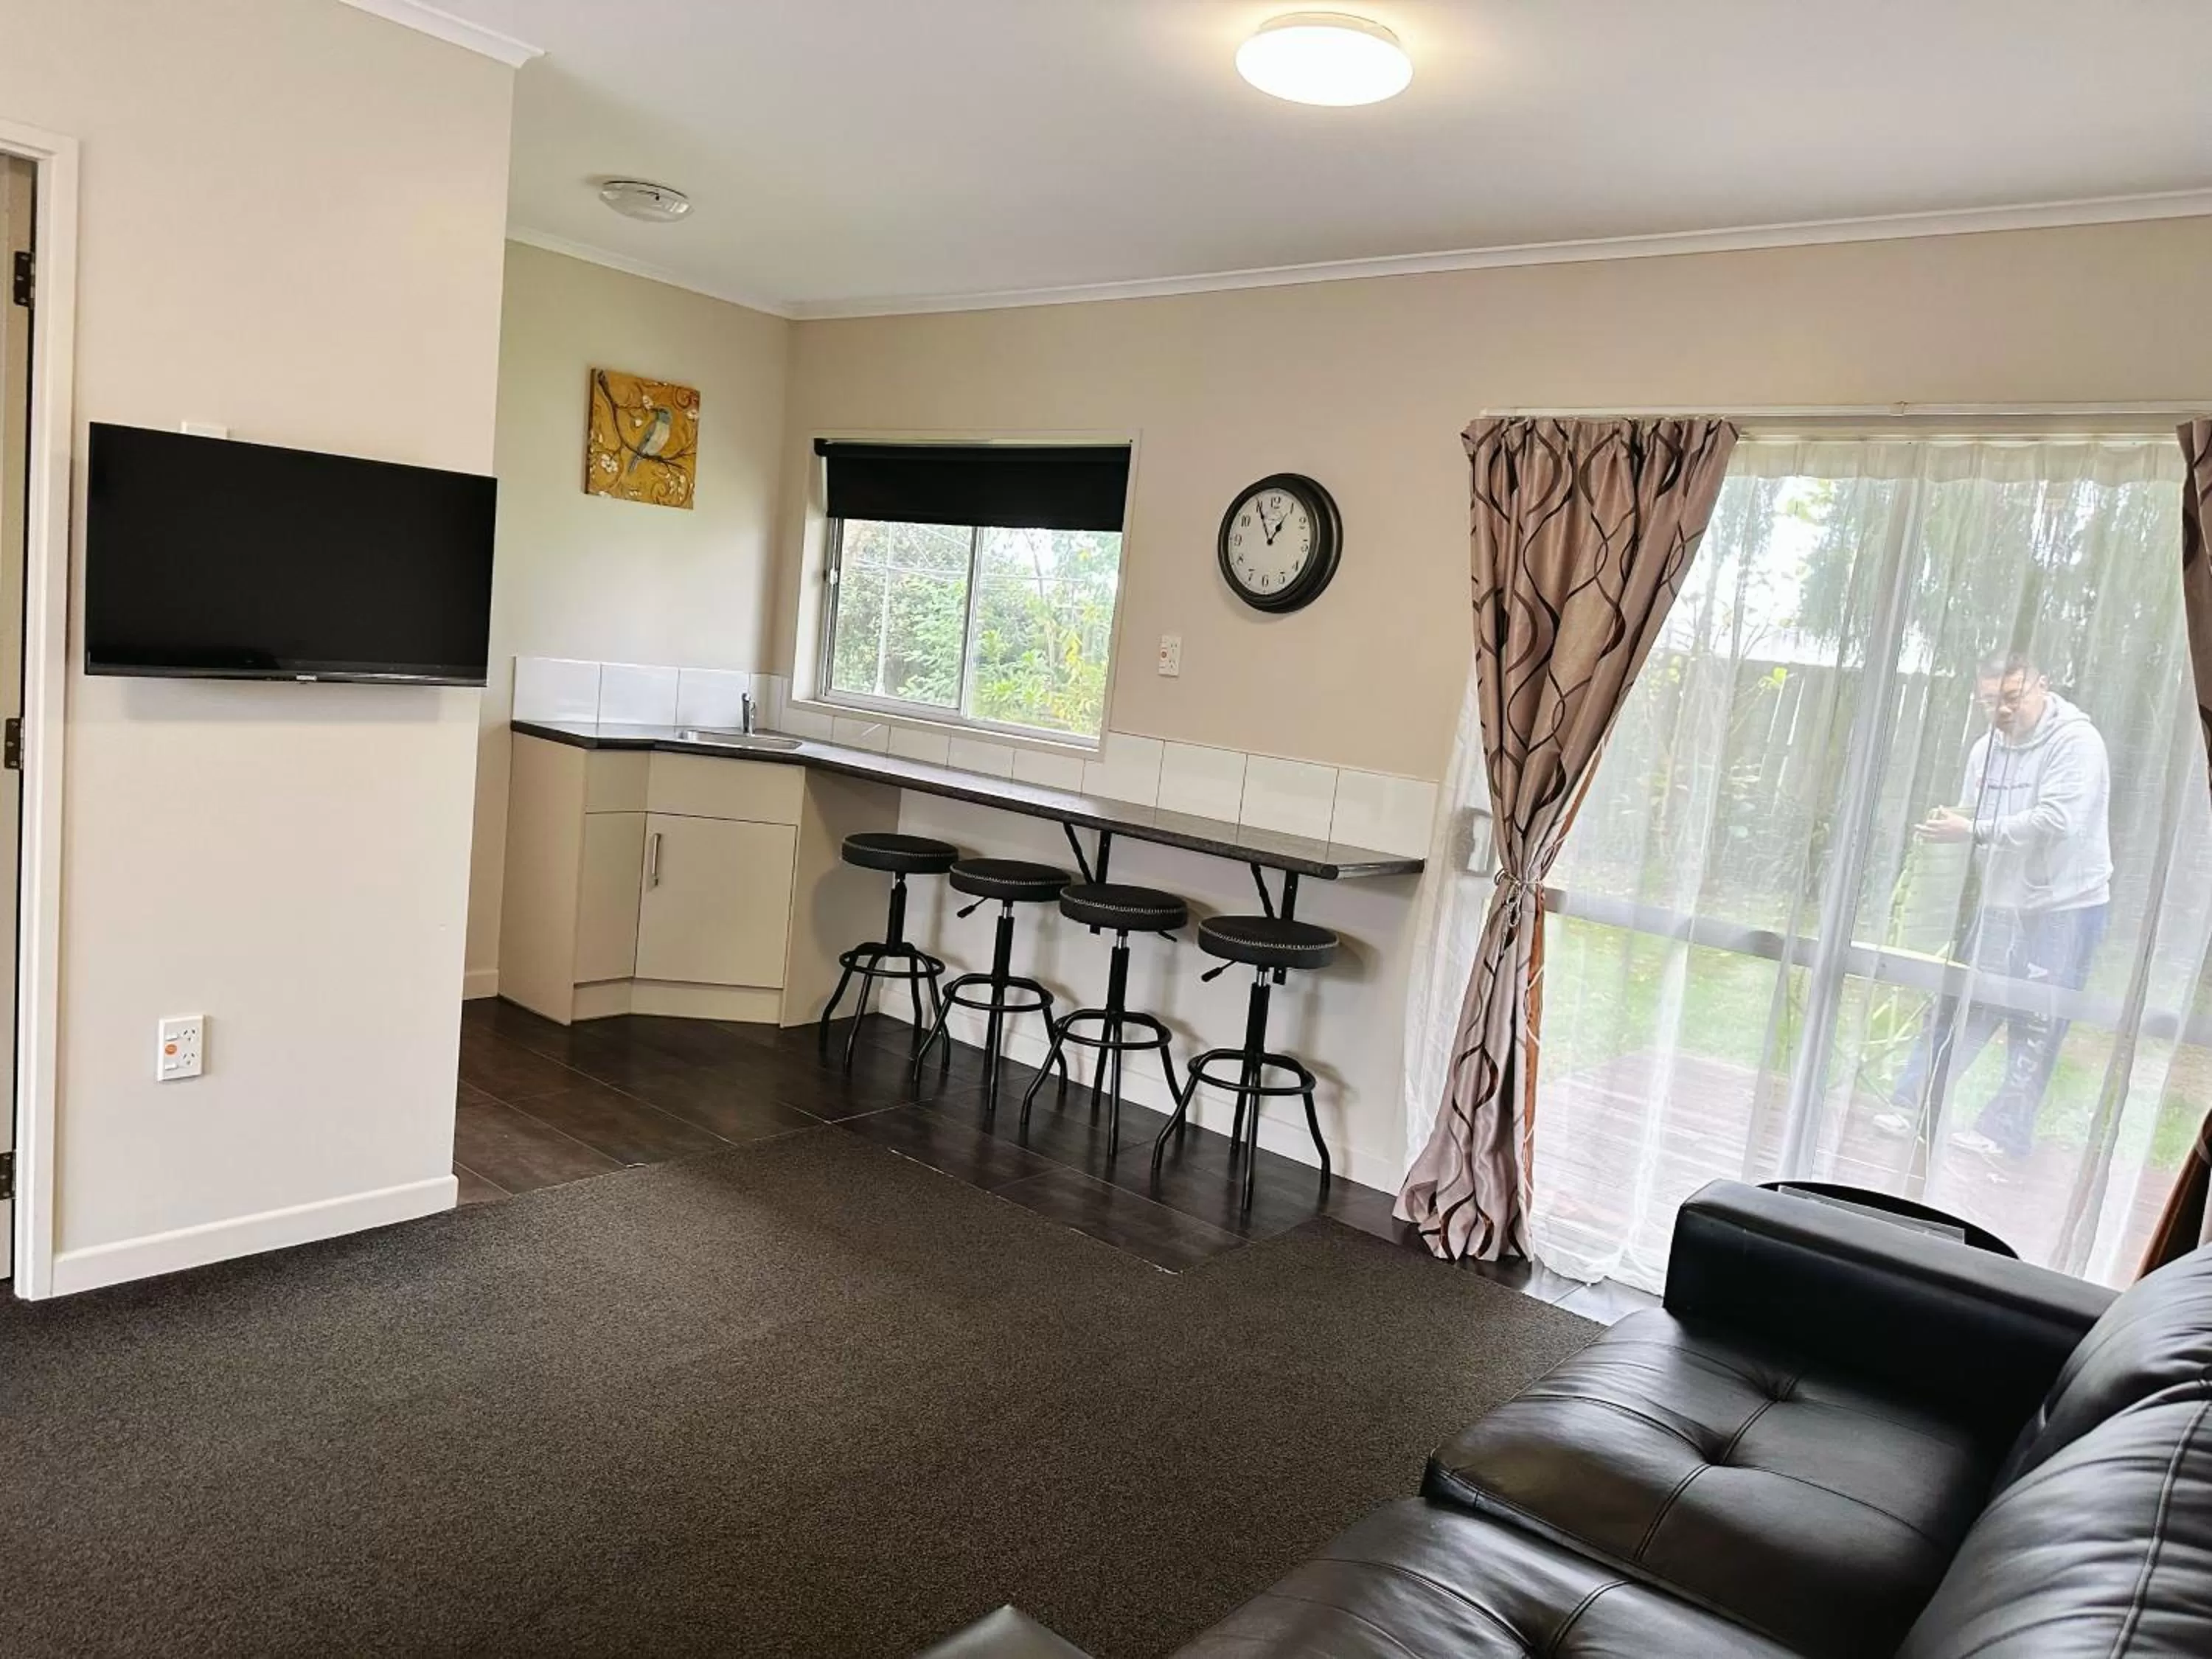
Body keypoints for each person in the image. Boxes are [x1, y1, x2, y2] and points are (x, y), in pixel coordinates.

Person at [1879, 652, 2112, 1160]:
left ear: (2042, 686)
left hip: (2065, 907)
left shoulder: (2077, 742)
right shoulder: (1985, 749)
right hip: (2000, 903)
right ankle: (1913, 1102)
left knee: (2037, 1022)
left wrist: (1973, 829)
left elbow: (2058, 821)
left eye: (2012, 697)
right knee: (1960, 1001)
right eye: (1991, 701)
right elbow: (1973, 819)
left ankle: (2004, 1131)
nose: (2003, 710)